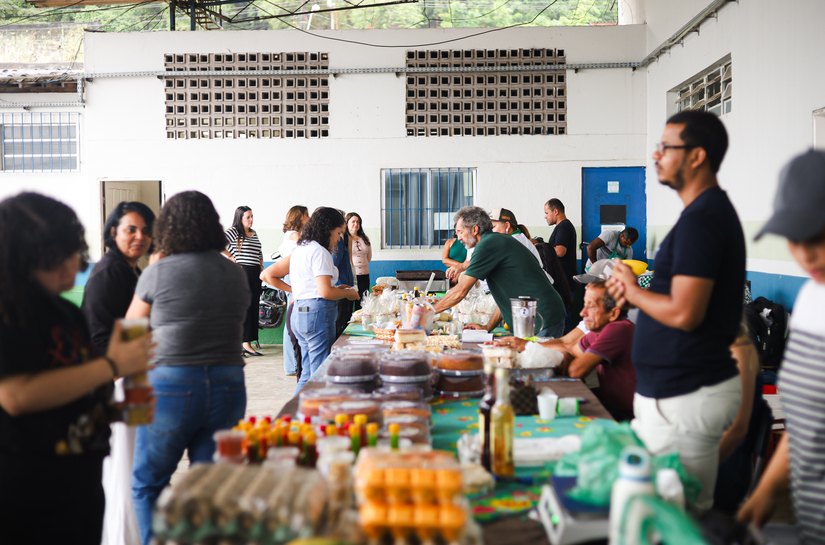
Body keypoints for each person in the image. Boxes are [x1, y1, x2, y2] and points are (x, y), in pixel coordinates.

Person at [606, 110, 745, 510]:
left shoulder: (704, 220)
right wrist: (634, 294)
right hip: (676, 394)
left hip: (685, 395)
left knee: (673, 520)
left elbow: (685, 313)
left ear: (697, 156)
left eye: (666, 147)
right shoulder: (701, 216)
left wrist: (633, 292)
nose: (656, 155)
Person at [0, 192, 152, 545]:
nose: (78, 260)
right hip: (29, 484)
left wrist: (114, 410)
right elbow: (16, 396)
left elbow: (72, 382)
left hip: (79, 479)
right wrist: (113, 364)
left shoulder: (64, 312)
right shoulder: (10, 312)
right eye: (69, 249)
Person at [128, 191, 249, 545]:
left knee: (149, 483)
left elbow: (129, 332)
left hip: (170, 385)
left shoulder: (158, 272)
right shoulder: (234, 273)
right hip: (229, 384)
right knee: (210, 486)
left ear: (168, 228)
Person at [738, 150, 825, 541]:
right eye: (794, 237)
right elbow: (807, 421)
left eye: (818, 234)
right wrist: (765, 493)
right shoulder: (811, 299)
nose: (804, 252)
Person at [81, 201, 155, 545]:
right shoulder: (111, 273)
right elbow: (100, 338)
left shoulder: (129, 271)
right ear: (113, 232)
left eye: (145, 231)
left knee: (134, 466)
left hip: (131, 379)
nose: (139, 237)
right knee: (125, 470)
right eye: (130, 229)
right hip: (118, 385)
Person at [498, 264, 636, 421]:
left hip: (626, 414)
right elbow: (570, 349)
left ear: (613, 313)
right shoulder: (599, 329)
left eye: (591, 306)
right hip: (609, 402)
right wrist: (525, 345)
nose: (582, 313)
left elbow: (575, 371)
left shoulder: (618, 329)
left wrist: (533, 348)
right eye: (585, 305)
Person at [259, 207, 359, 391]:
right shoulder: (320, 252)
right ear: (328, 229)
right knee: (319, 374)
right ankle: (311, 409)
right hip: (317, 314)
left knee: (307, 374)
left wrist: (297, 291)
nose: (339, 239)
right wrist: (347, 293)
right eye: (338, 233)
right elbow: (325, 292)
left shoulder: (301, 249)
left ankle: (298, 408)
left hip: (300, 313)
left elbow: (268, 274)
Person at [434, 206, 565, 337]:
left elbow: (461, 291)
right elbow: (505, 296)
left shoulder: (488, 244)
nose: (458, 238)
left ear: (474, 229)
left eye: (460, 232)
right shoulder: (493, 241)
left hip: (541, 316)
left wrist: (428, 312)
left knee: (535, 351)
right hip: (530, 316)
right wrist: (487, 327)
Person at [224, 205, 264, 357]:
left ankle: (247, 342)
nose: (251, 219)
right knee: (244, 307)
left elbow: (258, 252)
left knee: (253, 307)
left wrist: (261, 266)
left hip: (255, 273)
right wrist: (231, 256)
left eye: (252, 216)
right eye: (248, 217)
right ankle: (243, 344)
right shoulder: (234, 231)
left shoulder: (254, 233)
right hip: (242, 272)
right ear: (240, 218)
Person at [277, 205, 309, 378]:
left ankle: (292, 364)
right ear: (300, 217)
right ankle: (292, 365)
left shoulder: (290, 235)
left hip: (292, 276)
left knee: (292, 321)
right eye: (306, 215)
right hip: (292, 277)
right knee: (292, 321)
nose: (309, 218)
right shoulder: (295, 236)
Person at [544, 198, 577, 281]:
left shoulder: (564, 226)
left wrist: (543, 249)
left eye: (547, 213)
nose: (545, 217)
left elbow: (560, 252)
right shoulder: (562, 226)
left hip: (564, 278)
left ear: (555, 211)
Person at [345, 212, 372, 310]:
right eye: (353, 221)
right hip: (351, 276)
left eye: (358, 222)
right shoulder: (344, 239)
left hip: (364, 275)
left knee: (362, 304)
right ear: (347, 223)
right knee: (348, 305)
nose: (356, 224)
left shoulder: (365, 238)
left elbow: (369, 257)